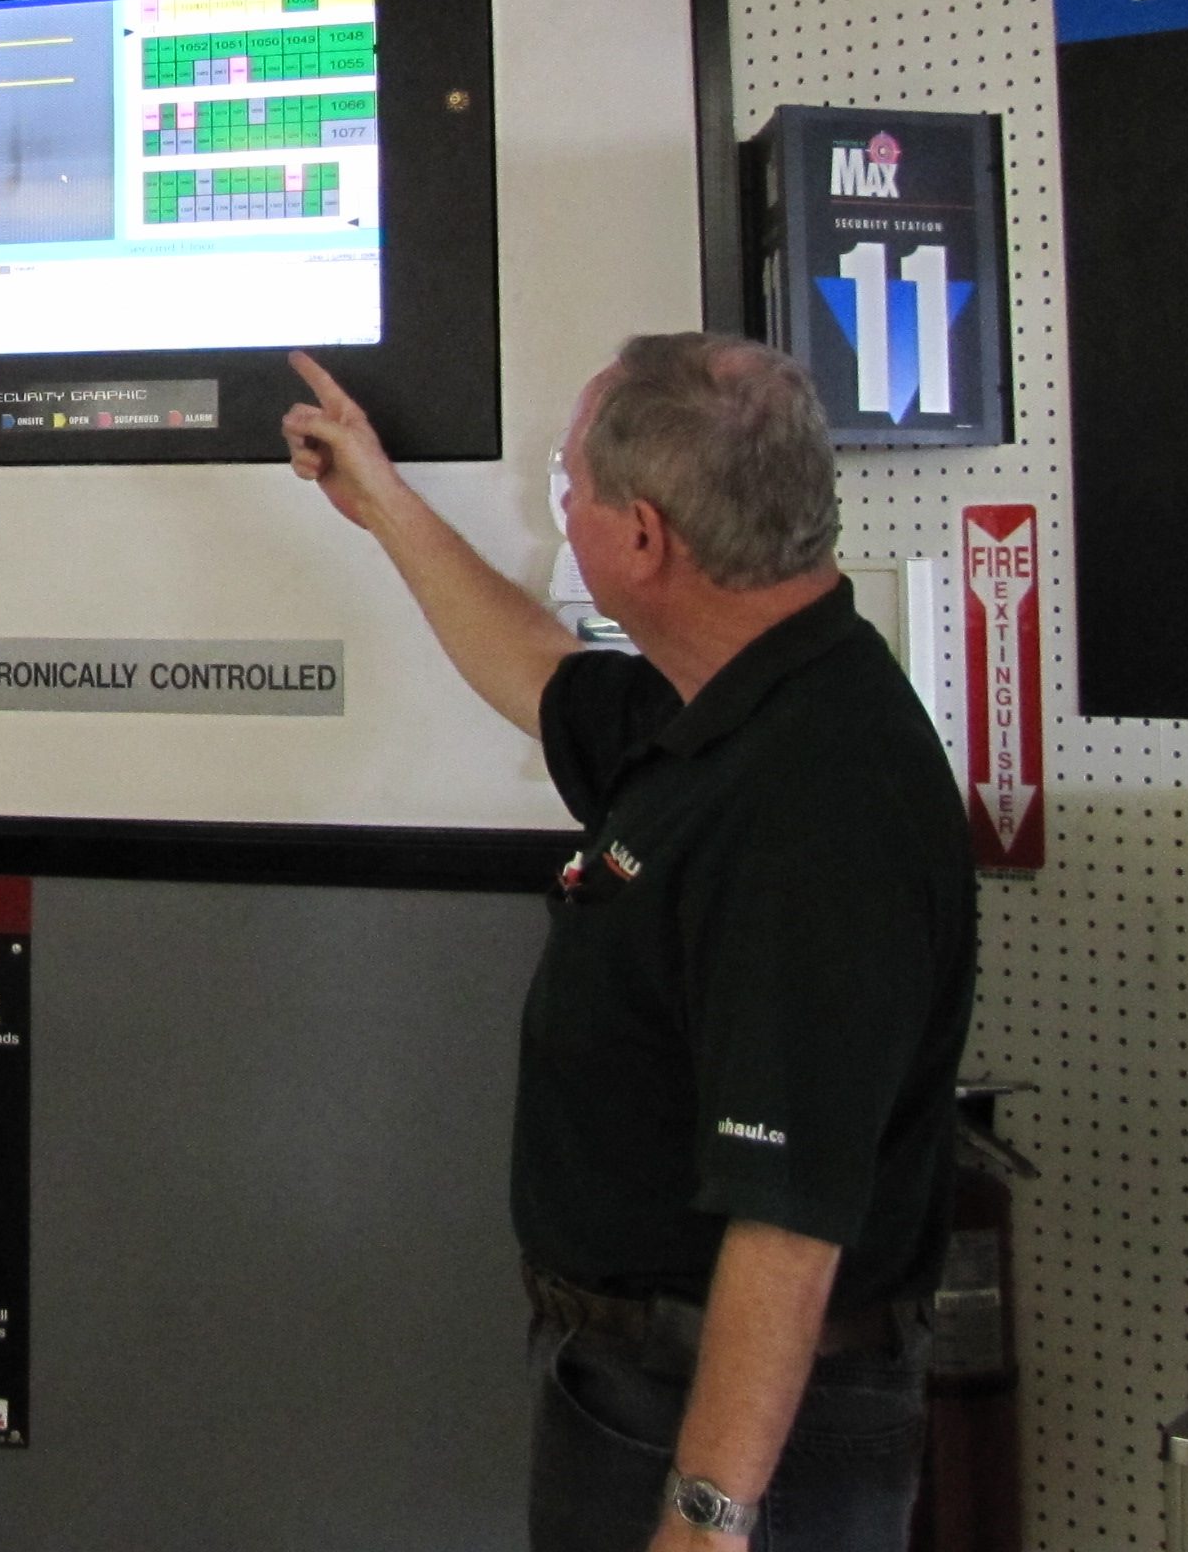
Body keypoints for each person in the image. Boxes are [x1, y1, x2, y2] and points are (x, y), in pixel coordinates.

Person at [284, 333, 974, 1552]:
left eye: (571, 486)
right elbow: (544, 674)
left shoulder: (813, 804)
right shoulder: (734, 704)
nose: (560, 508)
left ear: (644, 537)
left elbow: (788, 1228)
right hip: (641, 1385)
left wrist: (707, 1520)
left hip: (734, 1429)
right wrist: (381, 502)